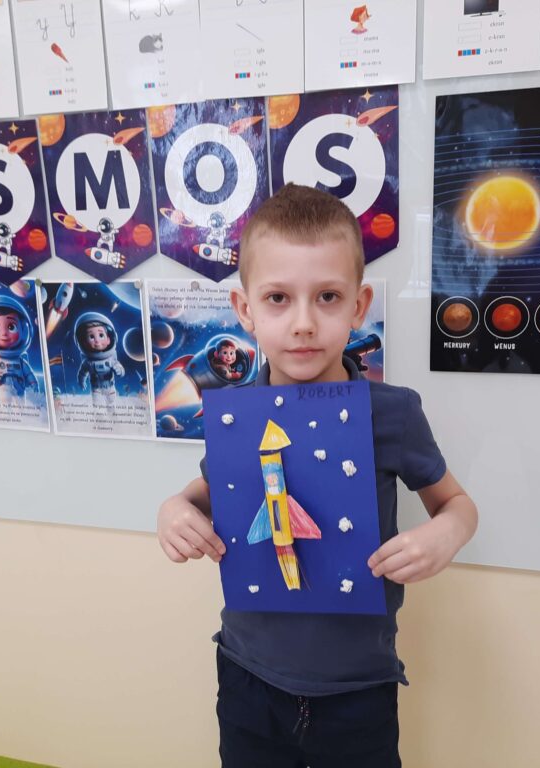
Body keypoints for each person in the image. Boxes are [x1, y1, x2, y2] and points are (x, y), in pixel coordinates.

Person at [157, 184, 478, 767]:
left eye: (327, 296)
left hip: (359, 690)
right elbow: (206, 492)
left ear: (358, 305)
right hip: (248, 676)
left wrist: (446, 534)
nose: (303, 323)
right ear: (245, 309)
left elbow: (456, 504)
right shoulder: (235, 416)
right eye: (278, 298)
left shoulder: (393, 413)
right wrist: (175, 508)